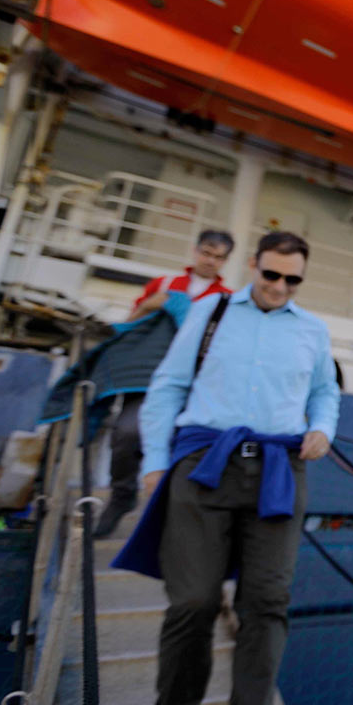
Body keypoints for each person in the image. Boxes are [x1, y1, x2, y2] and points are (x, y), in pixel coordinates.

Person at [117, 230, 339, 705]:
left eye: (293, 280)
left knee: (266, 605)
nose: (280, 287)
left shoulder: (312, 329)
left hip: (279, 470)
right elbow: (167, 386)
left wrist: (323, 428)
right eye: (271, 275)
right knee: (190, 602)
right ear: (252, 266)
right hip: (203, 463)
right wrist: (156, 461)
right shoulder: (211, 312)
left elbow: (325, 393)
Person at [94, 229, 236, 537]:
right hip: (147, 379)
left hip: (194, 386)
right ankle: (121, 496)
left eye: (218, 257)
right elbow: (130, 325)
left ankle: (169, 515)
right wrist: (149, 305)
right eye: (206, 253)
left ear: (226, 261)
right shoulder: (164, 285)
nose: (210, 261)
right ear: (195, 250)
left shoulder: (229, 300)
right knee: (126, 433)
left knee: (186, 448)